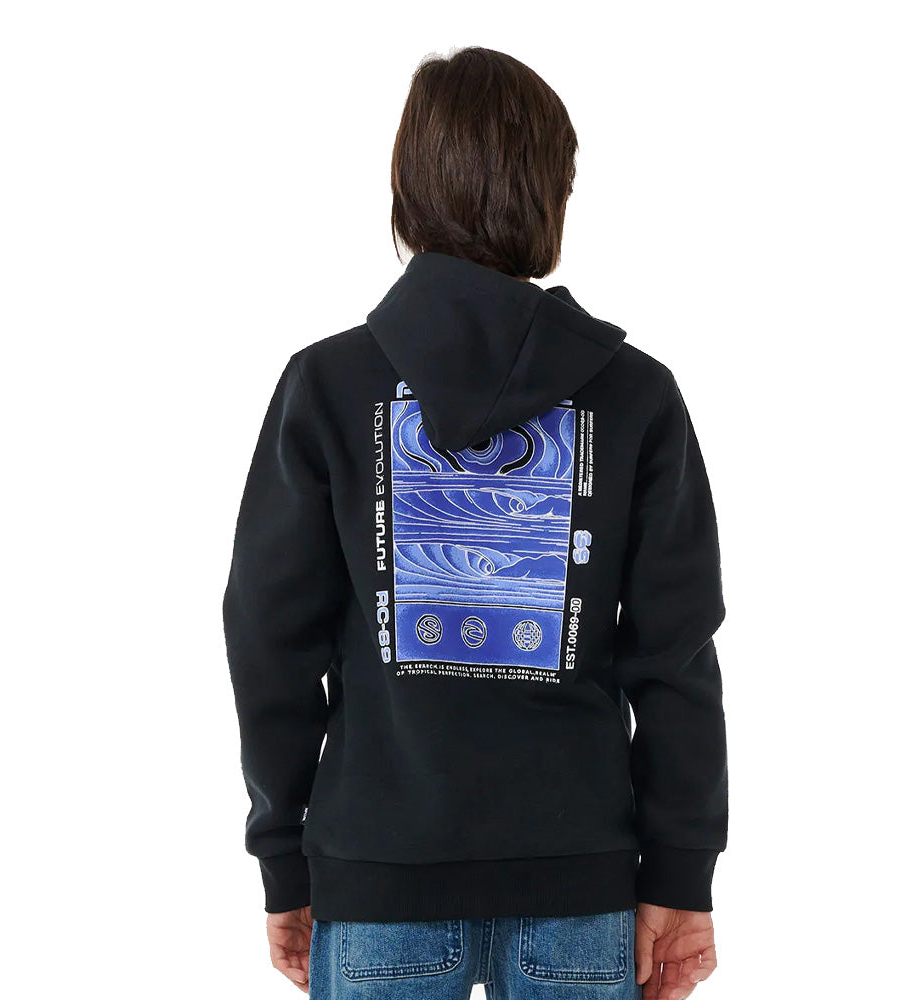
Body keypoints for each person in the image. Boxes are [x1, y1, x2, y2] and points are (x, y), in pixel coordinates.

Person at [223, 46, 728, 999]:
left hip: (379, 880)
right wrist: (679, 875)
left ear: (409, 187)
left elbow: (267, 639)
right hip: (580, 886)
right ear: (550, 195)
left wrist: (284, 856)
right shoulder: (635, 396)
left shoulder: (329, 385)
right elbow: (675, 655)